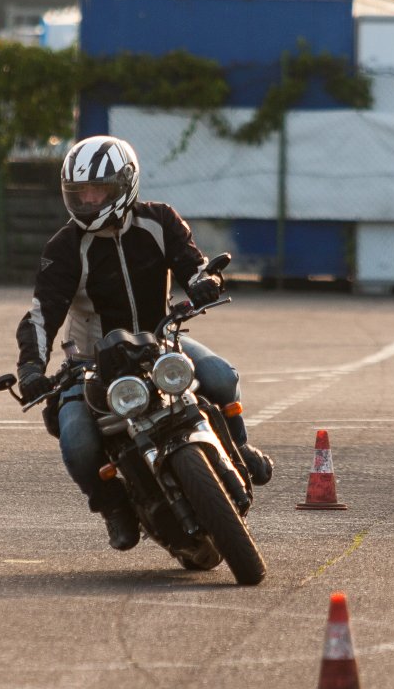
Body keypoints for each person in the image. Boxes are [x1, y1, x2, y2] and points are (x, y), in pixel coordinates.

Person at [14, 135, 273, 552]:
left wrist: (204, 281)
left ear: (125, 184)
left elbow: (193, 265)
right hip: (90, 362)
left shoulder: (160, 221)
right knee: (77, 442)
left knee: (221, 376)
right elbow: (42, 315)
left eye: (98, 190)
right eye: (80, 192)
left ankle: (239, 445)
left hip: (160, 342)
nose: (89, 200)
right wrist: (30, 368)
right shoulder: (64, 248)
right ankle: (113, 506)